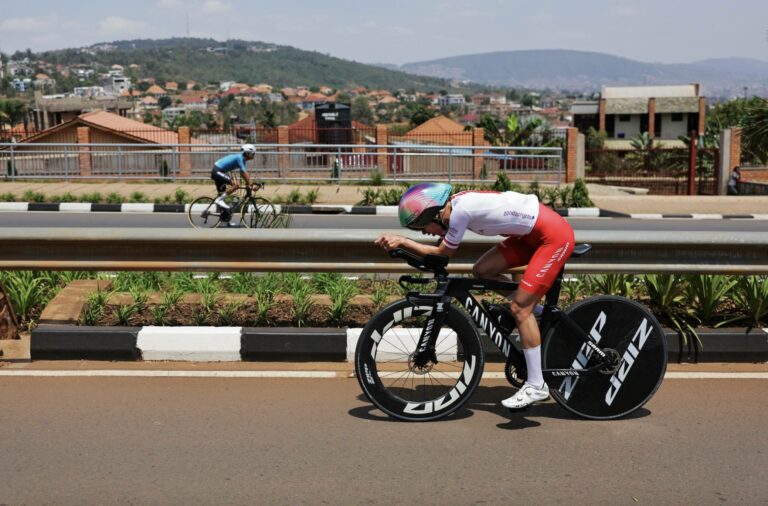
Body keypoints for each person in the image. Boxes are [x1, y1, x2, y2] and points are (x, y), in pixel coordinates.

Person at [375, 183, 575, 409]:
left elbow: (443, 254)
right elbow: (440, 252)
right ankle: (536, 313)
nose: (423, 232)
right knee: (482, 271)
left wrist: (403, 241)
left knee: (520, 309)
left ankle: (536, 385)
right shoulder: (455, 209)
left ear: (434, 214)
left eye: (421, 225)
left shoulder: (460, 212)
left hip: (552, 236)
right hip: (530, 236)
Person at [211, 144, 257, 210]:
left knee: (222, 195)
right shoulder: (240, 158)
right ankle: (219, 200)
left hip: (219, 171)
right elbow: (244, 173)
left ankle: (221, 212)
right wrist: (251, 184)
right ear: (247, 153)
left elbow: (242, 174)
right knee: (236, 185)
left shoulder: (242, 160)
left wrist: (248, 183)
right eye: (253, 153)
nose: (253, 155)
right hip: (217, 171)